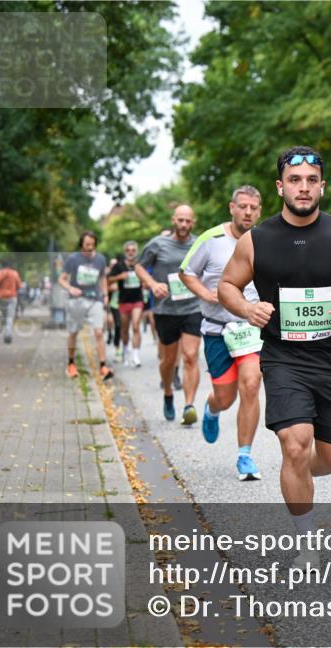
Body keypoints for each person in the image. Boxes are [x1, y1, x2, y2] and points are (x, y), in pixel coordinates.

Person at [219, 146, 331, 569]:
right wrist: (246, 308)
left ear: (322, 186)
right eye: (295, 180)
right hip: (284, 358)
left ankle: (300, 473)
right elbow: (227, 286)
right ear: (281, 187)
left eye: (311, 180)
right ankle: (306, 540)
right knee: (295, 445)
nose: (303, 187)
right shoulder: (257, 240)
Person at [180, 185, 264, 482]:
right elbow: (186, 272)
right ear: (232, 207)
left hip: (250, 330)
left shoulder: (265, 240)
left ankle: (245, 455)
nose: (248, 212)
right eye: (243, 206)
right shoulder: (211, 239)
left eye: (253, 207)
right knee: (225, 397)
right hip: (217, 330)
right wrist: (207, 294)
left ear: (260, 211)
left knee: (252, 383)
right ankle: (212, 409)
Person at [135, 206, 202, 424]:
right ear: (173, 220)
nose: (183, 225)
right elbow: (139, 267)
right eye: (180, 220)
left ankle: (189, 406)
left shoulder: (199, 244)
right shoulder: (158, 244)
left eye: (187, 221)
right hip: (166, 309)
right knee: (169, 360)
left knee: (190, 356)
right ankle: (168, 394)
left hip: (193, 308)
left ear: (193, 222)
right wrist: (153, 284)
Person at [59, 231, 114, 380]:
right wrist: (70, 288)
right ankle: (71, 363)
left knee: (98, 332)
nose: (89, 247)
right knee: (73, 332)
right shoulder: (73, 259)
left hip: (94, 299)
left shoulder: (101, 259)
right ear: (81, 244)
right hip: (76, 300)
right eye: (86, 244)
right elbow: (62, 279)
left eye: (92, 244)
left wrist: (105, 294)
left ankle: (103, 366)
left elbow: (102, 278)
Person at [107, 241, 146, 367]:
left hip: (137, 301)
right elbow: (108, 279)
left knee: (135, 326)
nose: (131, 252)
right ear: (125, 252)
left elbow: (147, 278)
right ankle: (125, 350)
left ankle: (135, 355)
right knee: (124, 329)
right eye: (128, 250)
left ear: (136, 252)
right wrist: (119, 277)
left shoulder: (140, 265)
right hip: (123, 301)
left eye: (133, 250)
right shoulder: (118, 266)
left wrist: (144, 281)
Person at [0, 259, 22, 344]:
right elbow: (19, 285)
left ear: (2, 266)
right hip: (12, 297)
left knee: (4, 316)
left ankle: (2, 330)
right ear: (9, 265)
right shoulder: (14, 273)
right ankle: (7, 335)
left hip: (1, 297)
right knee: (9, 317)